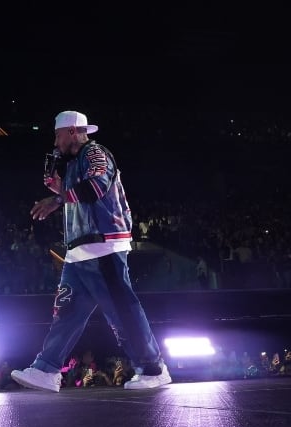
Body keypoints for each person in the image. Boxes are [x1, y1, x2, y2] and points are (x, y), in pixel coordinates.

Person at [11, 110, 171, 392]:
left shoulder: (95, 153)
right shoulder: (73, 164)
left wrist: (58, 197)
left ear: (72, 131)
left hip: (103, 244)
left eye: (58, 134)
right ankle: (47, 369)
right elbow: (78, 195)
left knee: (122, 311)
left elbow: (97, 186)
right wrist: (60, 190)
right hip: (79, 250)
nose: (55, 141)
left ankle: (153, 368)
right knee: (67, 313)